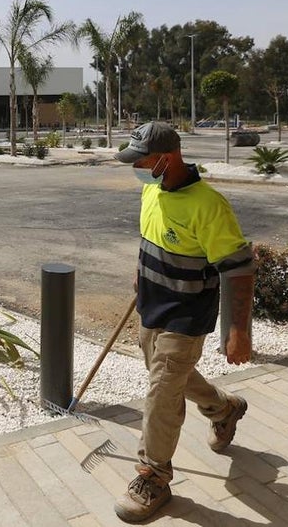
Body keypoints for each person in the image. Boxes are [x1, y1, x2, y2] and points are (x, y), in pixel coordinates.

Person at [112, 121, 255, 523]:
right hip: (153, 307)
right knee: (170, 378)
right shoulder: (151, 188)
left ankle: (153, 475)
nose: (136, 166)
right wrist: (140, 278)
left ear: (167, 158)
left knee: (161, 390)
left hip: (188, 314)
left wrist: (238, 331)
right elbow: (149, 239)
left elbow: (239, 269)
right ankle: (223, 408)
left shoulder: (208, 205)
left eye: (141, 160)